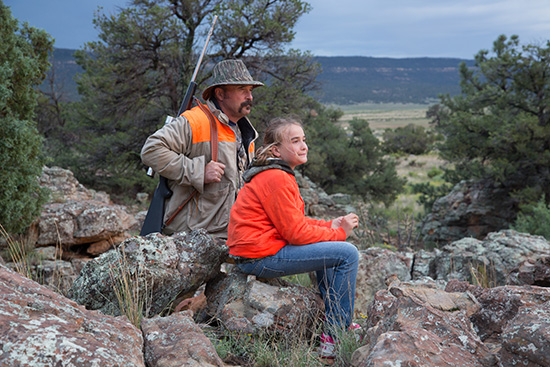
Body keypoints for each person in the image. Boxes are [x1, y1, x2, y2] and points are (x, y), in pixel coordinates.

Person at [226, 116, 360, 359]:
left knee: (331, 246)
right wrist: (339, 233)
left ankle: (334, 327)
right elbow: (295, 233)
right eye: (295, 141)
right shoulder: (276, 178)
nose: (303, 146)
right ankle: (336, 335)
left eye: (304, 140)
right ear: (276, 149)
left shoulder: (276, 174)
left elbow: (293, 223)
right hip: (259, 256)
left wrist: (328, 225)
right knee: (347, 254)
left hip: (256, 252)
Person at [141, 59, 263, 238]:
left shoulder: (246, 133)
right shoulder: (195, 121)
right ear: (220, 94)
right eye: (241, 89)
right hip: (194, 235)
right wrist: (198, 171)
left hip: (230, 233)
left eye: (250, 91)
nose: (249, 97)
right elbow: (151, 150)